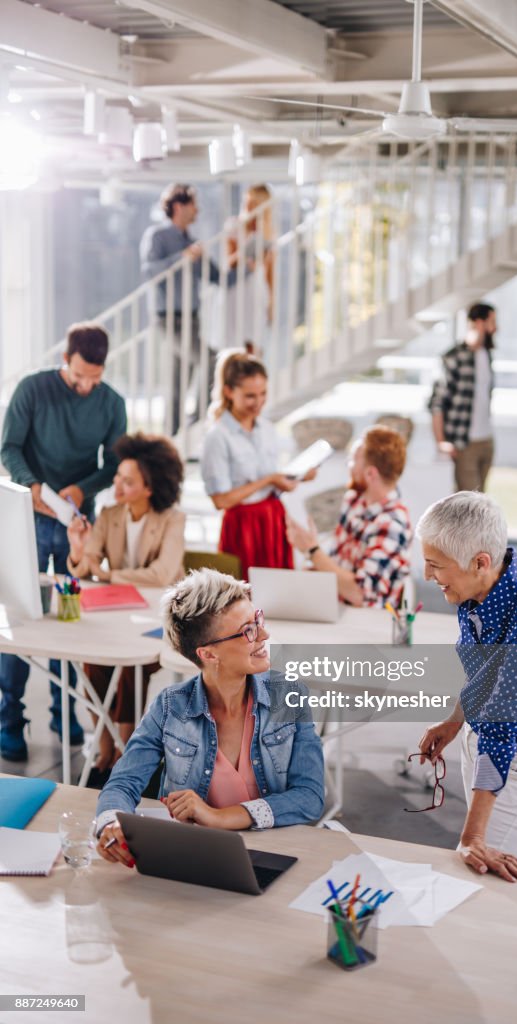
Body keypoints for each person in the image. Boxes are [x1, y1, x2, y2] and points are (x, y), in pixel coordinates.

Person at [95, 569, 324, 863]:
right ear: (208, 655)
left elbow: (310, 796)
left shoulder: (290, 696)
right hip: (193, 858)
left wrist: (219, 818)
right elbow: (122, 784)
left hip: (272, 855)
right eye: (248, 631)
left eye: (258, 620)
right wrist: (111, 823)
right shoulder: (169, 708)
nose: (264, 635)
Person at [416, 491, 517, 882]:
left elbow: (501, 733)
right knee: (505, 873)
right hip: (486, 743)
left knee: (470, 873)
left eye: (436, 565)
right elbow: (483, 673)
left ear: (480, 561)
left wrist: (472, 836)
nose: (427, 576)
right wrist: (456, 720)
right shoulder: (483, 587)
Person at [0, 323, 127, 762]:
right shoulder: (32, 390)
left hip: (77, 523)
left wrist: (80, 489)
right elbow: (8, 447)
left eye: (94, 377)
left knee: (70, 621)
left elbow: (112, 464)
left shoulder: (112, 403)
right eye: (78, 377)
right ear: (65, 360)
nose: (86, 385)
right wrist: (32, 485)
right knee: (23, 618)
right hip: (28, 520)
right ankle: (9, 718)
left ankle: (66, 710)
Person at [67, 432, 186, 772]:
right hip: (118, 616)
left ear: (150, 488)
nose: (117, 487)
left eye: (128, 481)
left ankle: (126, 747)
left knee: (130, 665)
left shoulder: (172, 519)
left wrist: (108, 575)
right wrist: (79, 550)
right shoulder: (109, 514)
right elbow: (88, 565)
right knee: (93, 663)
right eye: (117, 477)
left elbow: (163, 574)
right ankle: (105, 747)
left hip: (160, 619)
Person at [200, 351, 310, 575]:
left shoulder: (267, 429)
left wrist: (295, 476)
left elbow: (271, 477)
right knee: (244, 598)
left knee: (279, 595)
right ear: (229, 392)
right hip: (243, 527)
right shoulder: (218, 437)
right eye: (250, 396)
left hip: (273, 519)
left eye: (263, 394)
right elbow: (221, 500)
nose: (258, 402)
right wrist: (268, 480)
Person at [286, 426, 412, 608]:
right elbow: (336, 561)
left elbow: (361, 595)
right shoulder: (354, 500)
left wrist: (312, 551)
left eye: (352, 461)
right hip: (332, 606)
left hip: (363, 622)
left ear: (370, 474)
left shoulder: (392, 524)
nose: (348, 465)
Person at [140, 183, 220, 435]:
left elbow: (216, 277)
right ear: (178, 206)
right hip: (168, 319)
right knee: (210, 360)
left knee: (178, 384)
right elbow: (151, 272)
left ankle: (172, 438)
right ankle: (196, 422)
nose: (197, 210)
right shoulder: (158, 236)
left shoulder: (193, 243)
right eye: (193, 204)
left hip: (191, 319)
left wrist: (245, 263)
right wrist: (183, 258)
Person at [429, 302, 497, 492]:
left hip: (487, 440)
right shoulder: (453, 357)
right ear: (479, 323)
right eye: (492, 322)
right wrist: (441, 441)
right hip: (464, 443)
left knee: (481, 504)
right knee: (468, 507)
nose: (496, 328)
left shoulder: (487, 355)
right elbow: (437, 402)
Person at [225, 184, 274, 354]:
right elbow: (229, 263)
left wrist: (271, 305)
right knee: (238, 342)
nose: (249, 206)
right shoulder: (233, 225)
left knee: (257, 342)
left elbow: (270, 272)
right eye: (248, 202)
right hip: (239, 289)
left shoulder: (267, 231)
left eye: (254, 203)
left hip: (258, 288)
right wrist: (245, 254)